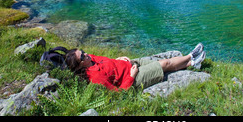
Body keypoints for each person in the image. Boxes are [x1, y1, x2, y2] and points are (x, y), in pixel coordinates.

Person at [64, 44, 206, 91]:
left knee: (161, 60)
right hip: (133, 78)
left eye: (82, 52)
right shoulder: (95, 77)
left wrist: (118, 59)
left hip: (130, 64)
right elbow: (117, 93)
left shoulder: (91, 59)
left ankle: (192, 63)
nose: (86, 54)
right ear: (80, 64)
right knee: (164, 65)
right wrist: (132, 76)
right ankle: (190, 57)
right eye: (82, 57)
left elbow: (107, 61)